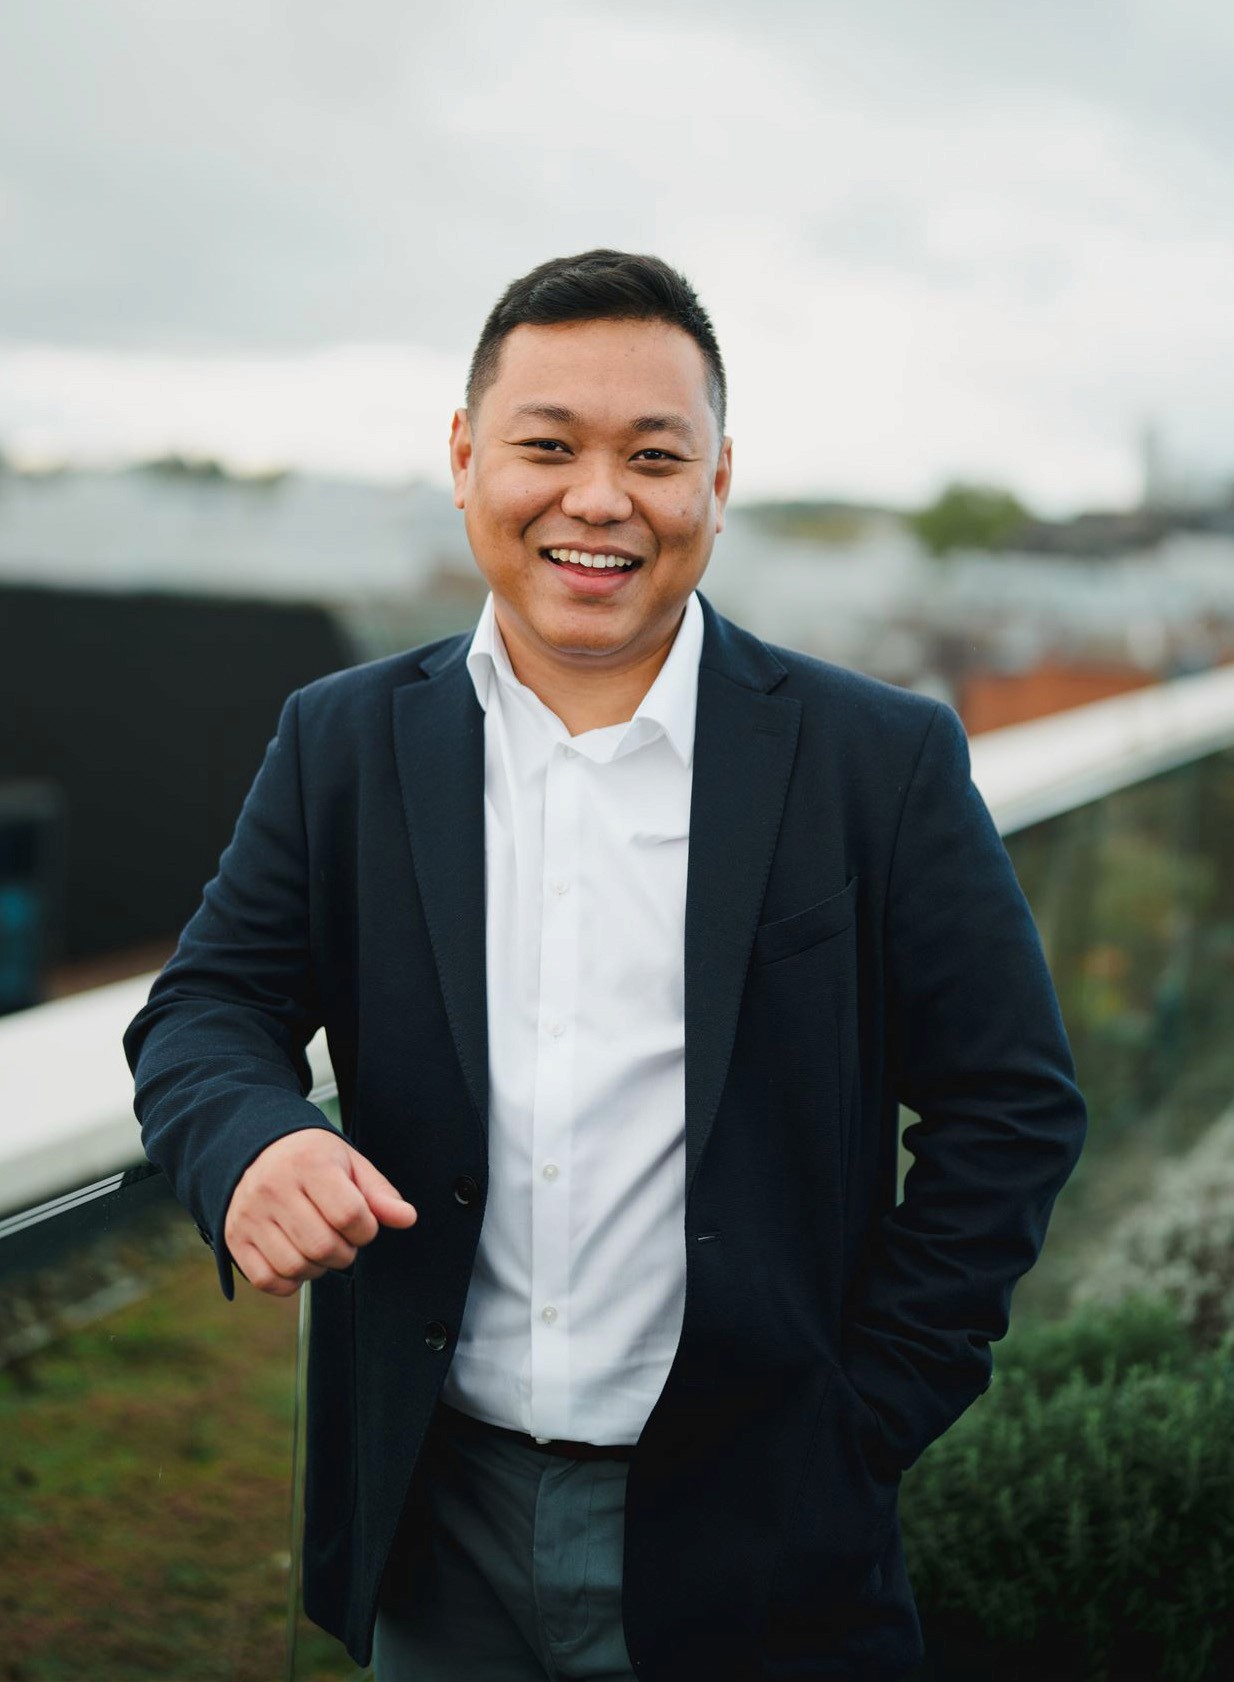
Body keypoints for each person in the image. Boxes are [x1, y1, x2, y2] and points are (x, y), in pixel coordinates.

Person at [124, 249, 1087, 1682]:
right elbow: (207, 1007)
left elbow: (1008, 1103)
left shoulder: (873, 761)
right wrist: (252, 1140)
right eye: (546, 445)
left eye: (653, 454)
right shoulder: (342, 741)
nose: (597, 498)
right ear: (464, 459)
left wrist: (866, 1412)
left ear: (717, 479)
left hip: (769, 1527)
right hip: (431, 1522)